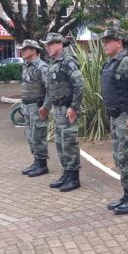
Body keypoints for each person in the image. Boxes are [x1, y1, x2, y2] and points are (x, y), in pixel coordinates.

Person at [100, 26, 128, 215]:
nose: (105, 45)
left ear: (119, 42)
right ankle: (126, 195)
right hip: (116, 117)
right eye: (104, 42)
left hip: (126, 117)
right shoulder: (111, 63)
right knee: (120, 158)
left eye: (108, 41)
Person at [39, 32, 84, 192]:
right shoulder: (53, 63)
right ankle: (66, 173)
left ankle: (74, 177)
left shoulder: (68, 61)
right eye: (47, 45)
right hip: (57, 110)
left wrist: (74, 107)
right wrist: (46, 106)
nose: (48, 47)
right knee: (60, 143)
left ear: (60, 44)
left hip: (67, 109)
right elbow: (50, 90)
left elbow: (79, 86)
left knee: (69, 142)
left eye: (50, 44)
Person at [19, 39, 50, 178]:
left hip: (38, 107)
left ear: (33, 50)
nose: (23, 51)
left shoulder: (41, 67)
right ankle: (37, 162)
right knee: (31, 136)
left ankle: (42, 165)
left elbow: (50, 89)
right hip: (27, 106)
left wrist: (45, 106)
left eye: (25, 49)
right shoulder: (27, 66)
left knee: (38, 135)